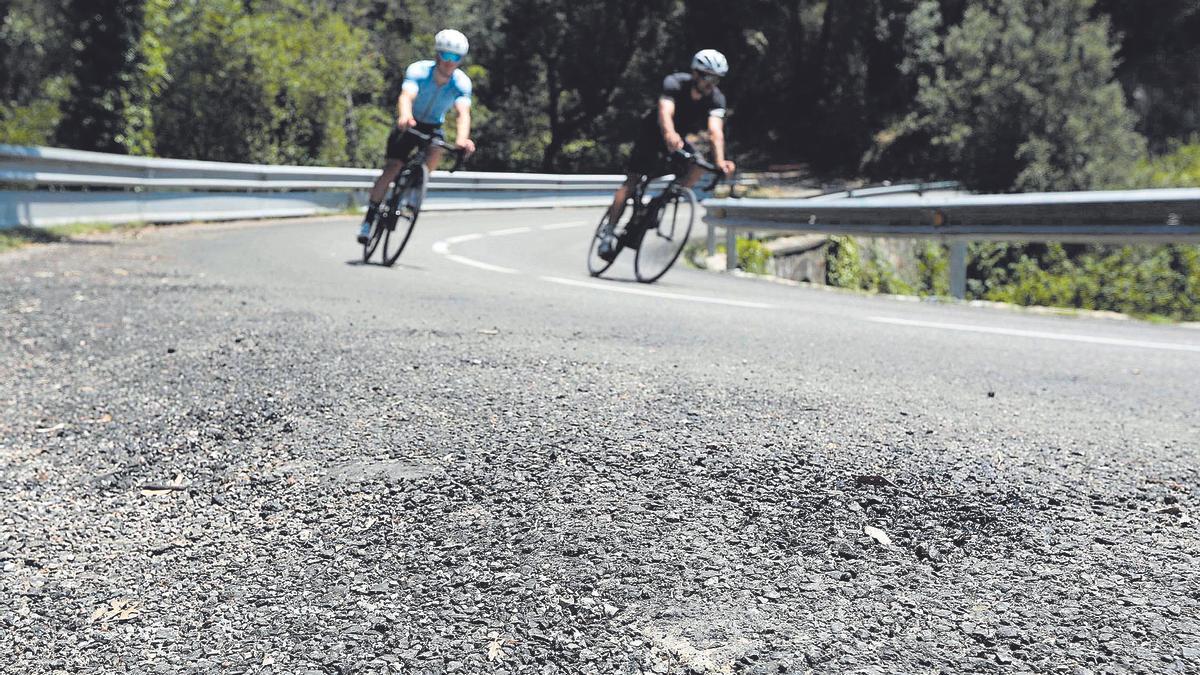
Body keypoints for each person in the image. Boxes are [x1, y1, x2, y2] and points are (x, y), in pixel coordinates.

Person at [598, 49, 737, 260]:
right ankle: (608, 233)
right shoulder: (675, 83)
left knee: (698, 165)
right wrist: (669, 133)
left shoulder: (716, 98)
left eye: (716, 79)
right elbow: (665, 112)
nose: (711, 83)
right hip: (653, 135)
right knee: (632, 181)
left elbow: (715, 132)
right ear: (696, 73)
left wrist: (719, 161)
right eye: (708, 77)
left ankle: (661, 203)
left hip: (678, 139)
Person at [357, 29, 477, 244]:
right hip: (410, 122)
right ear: (438, 55)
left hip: (433, 125)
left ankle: (414, 188)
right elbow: (406, 96)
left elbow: (463, 114)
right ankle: (369, 219)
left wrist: (462, 139)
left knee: (435, 151)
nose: (451, 62)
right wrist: (404, 116)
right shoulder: (419, 70)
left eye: (456, 58)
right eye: (447, 56)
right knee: (392, 168)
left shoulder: (461, 83)